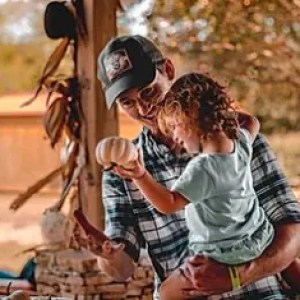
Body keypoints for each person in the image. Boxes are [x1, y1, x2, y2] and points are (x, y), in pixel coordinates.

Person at [78, 35, 300, 299]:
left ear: (168, 71)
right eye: (127, 102)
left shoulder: (227, 141)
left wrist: (237, 276)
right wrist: (107, 254)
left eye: (148, 90)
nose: (144, 107)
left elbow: (292, 231)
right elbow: (123, 269)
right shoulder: (120, 172)